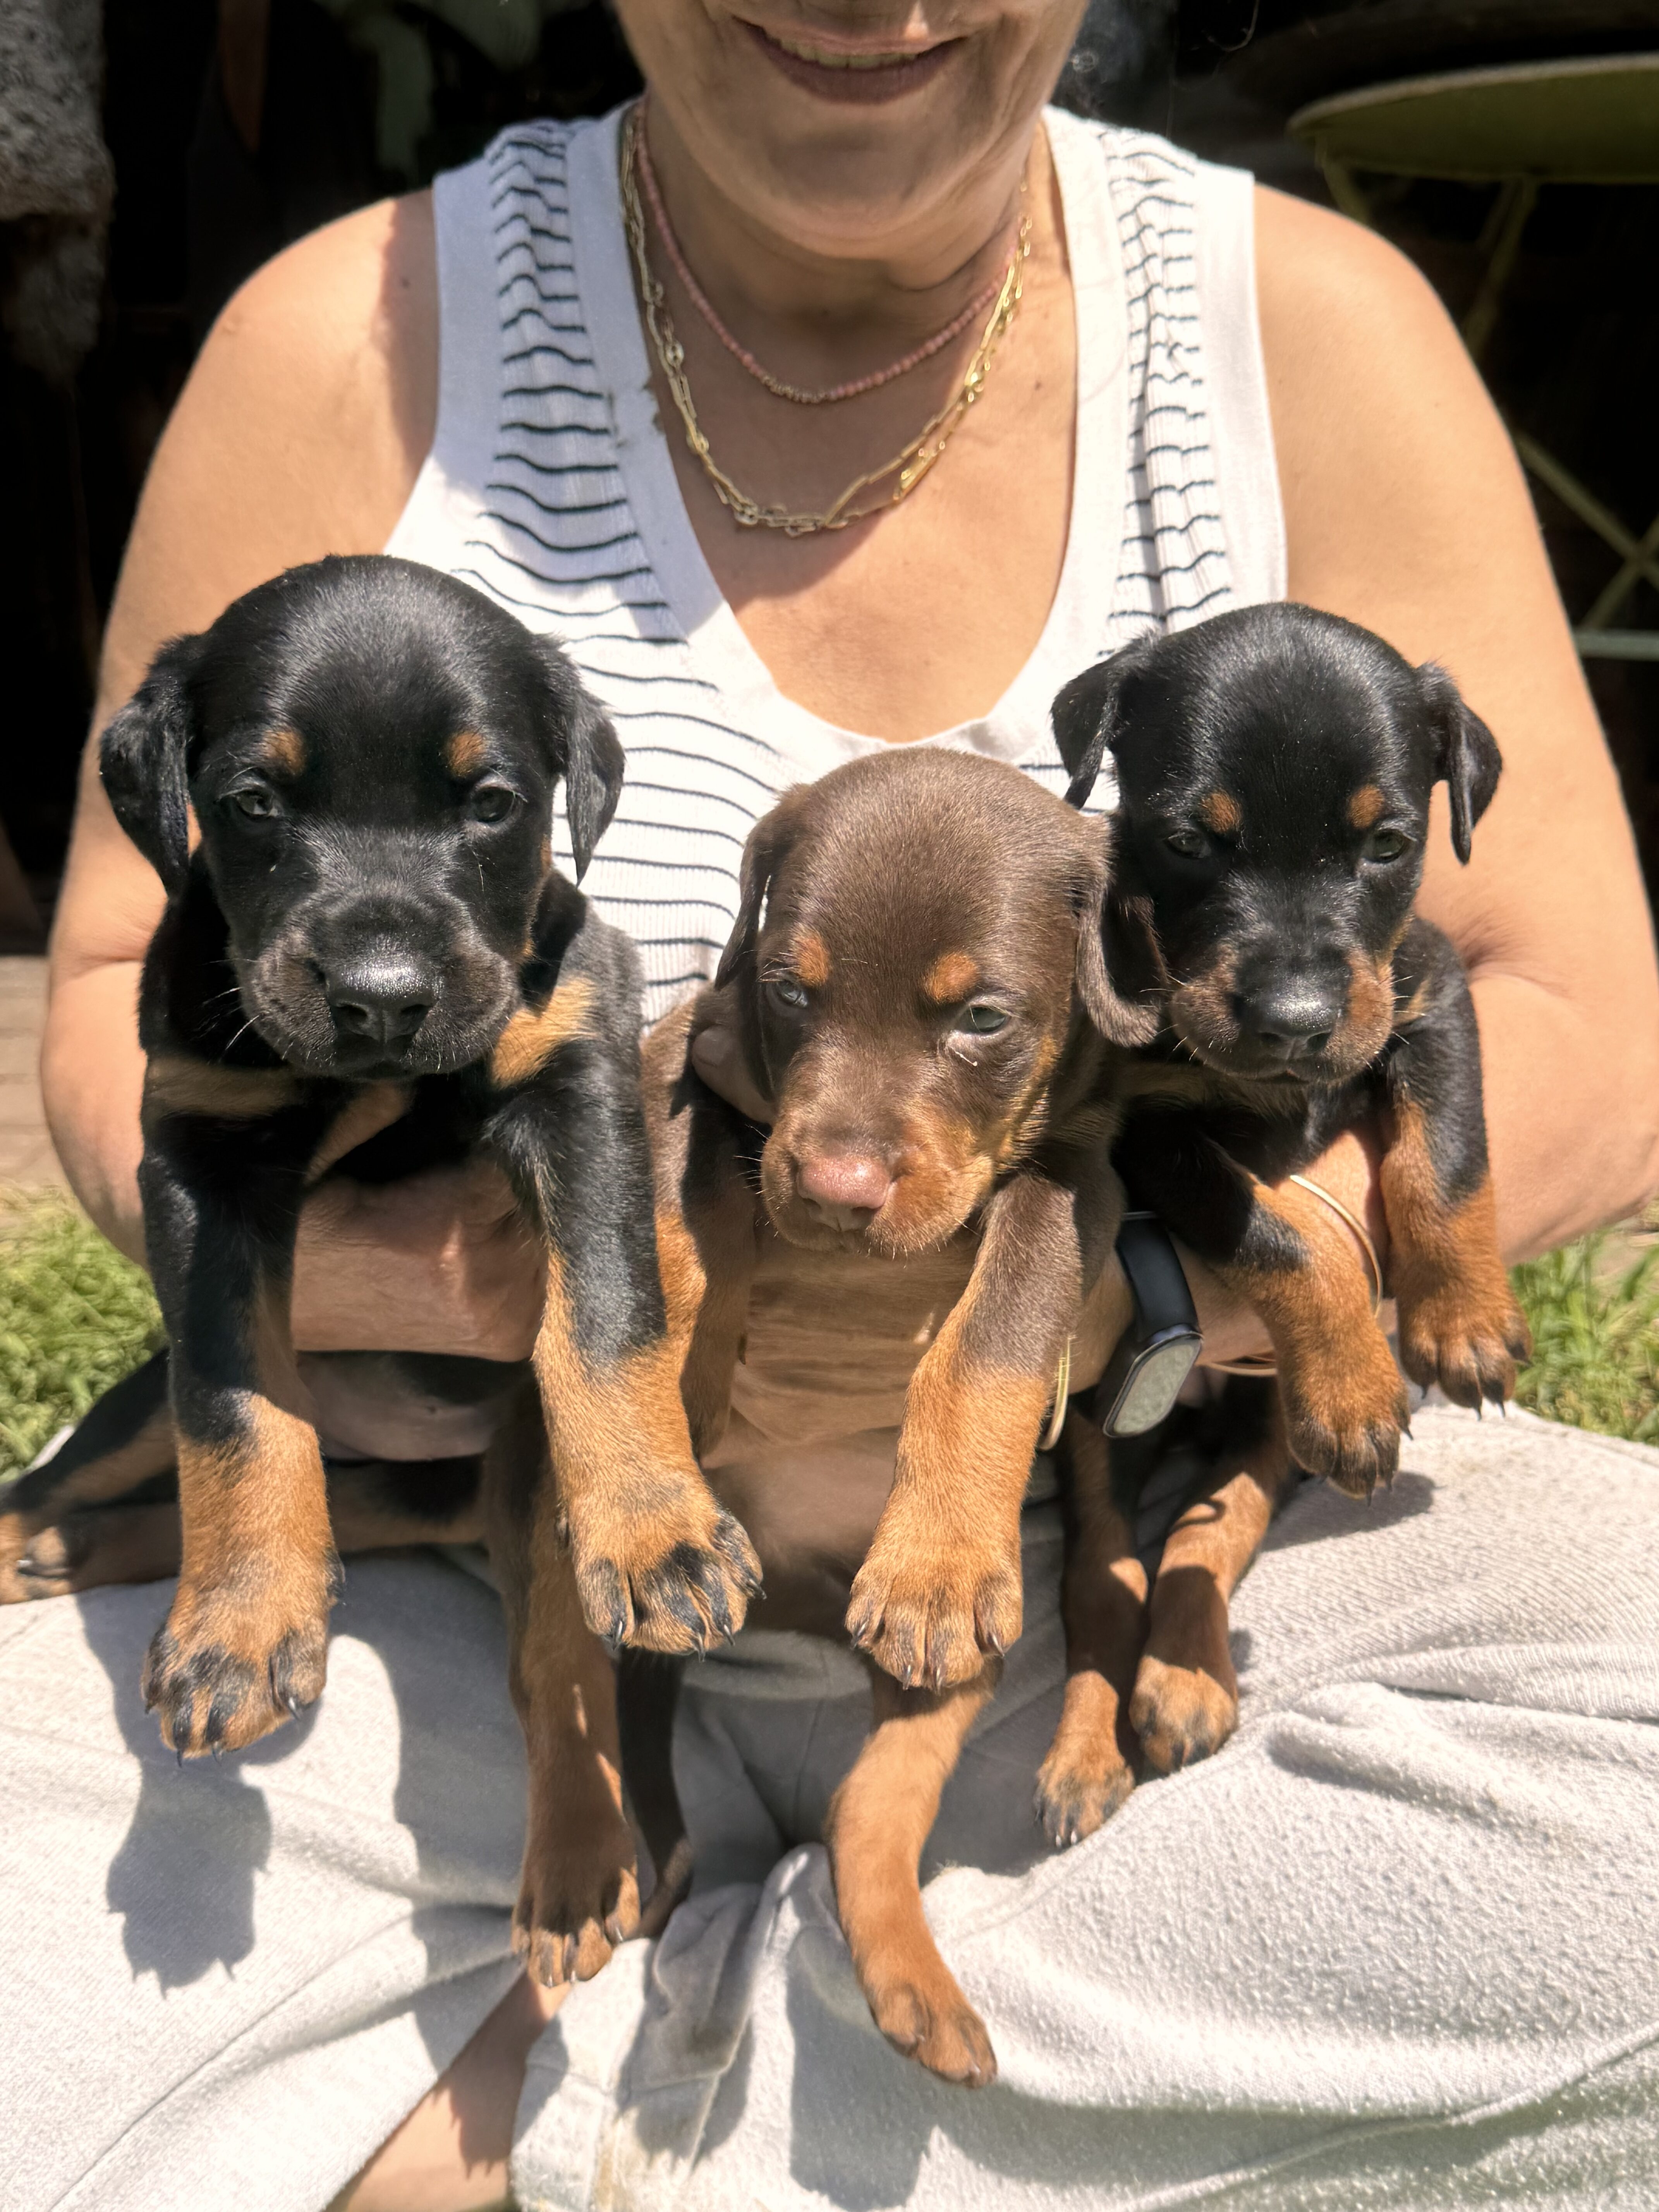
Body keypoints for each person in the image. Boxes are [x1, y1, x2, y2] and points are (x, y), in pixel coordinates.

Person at [7, 3, 1659, 2207]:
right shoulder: (351, 332)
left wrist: (1144, 1295)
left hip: (1093, 1524)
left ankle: (598, 2117)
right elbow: (132, 988)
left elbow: (1569, 1019)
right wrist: (506, 1303)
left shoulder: (1310, 330)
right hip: (471, 1570)